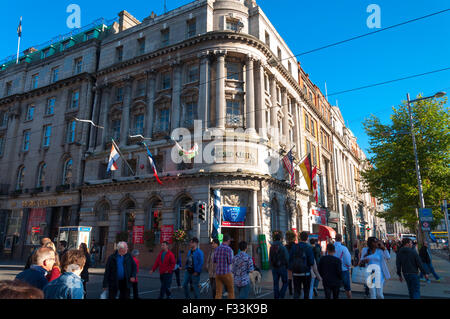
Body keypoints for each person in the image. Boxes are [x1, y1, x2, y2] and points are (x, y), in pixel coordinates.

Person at [289, 231, 315, 299]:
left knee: (297, 292)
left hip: (296, 273)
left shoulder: (294, 247)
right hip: (306, 273)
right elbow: (311, 262)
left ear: (299, 238)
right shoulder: (308, 248)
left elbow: (290, 259)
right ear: (307, 238)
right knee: (306, 292)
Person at [213, 234, 235, 299]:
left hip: (218, 273)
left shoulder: (217, 249)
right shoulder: (229, 249)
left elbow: (214, 260)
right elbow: (230, 261)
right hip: (226, 273)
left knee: (218, 292)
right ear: (228, 241)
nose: (230, 242)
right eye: (230, 241)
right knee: (230, 291)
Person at [269, 232, 289, 299]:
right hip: (282, 267)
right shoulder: (283, 247)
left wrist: (271, 266)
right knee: (285, 282)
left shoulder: (271, 247)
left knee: (275, 283)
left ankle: (276, 297)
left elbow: (270, 258)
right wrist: (287, 266)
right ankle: (281, 294)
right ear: (280, 239)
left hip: (274, 268)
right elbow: (286, 258)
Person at [333, 234, 352, 299]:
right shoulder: (344, 248)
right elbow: (348, 261)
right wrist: (348, 266)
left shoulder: (331, 247)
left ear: (335, 239)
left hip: (334, 271)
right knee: (347, 288)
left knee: (335, 288)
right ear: (341, 239)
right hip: (343, 270)